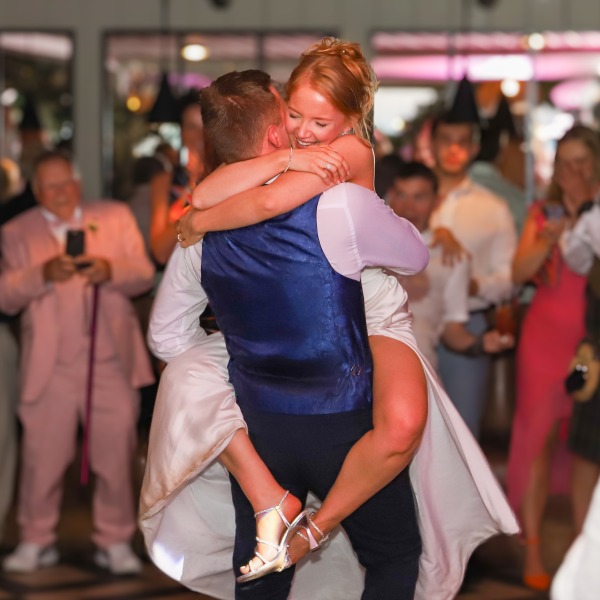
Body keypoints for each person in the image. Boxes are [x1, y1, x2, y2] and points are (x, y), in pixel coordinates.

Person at [142, 45, 518, 599]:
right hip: (333, 388)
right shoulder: (303, 178)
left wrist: (200, 224)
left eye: (320, 121)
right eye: (293, 116)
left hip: (326, 355)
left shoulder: (342, 162)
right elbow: (221, 194)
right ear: (278, 119)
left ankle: (305, 524)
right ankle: (312, 528)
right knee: (391, 549)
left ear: (351, 120)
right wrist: (255, 179)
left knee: (399, 429)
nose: (304, 131)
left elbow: (171, 327)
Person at [0, 151, 155, 574]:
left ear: (79, 182)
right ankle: (35, 539)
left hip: (110, 362)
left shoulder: (115, 215)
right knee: (41, 459)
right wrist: (41, 274)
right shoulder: (17, 232)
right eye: (51, 187)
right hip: (49, 367)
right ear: (36, 192)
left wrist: (108, 269)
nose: (62, 193)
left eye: (67, 183)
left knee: (114, 455)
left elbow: (143, 272)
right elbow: (6, 296)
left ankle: (116, 539)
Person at [506, 125, 599, 591]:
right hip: (545, 339)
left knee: (589, 448)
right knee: (538, 441)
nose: (574, 171)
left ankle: (590, 554)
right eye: (565, 162)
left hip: (593, 340)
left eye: (583, 161)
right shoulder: (544, 211)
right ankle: (535, 549)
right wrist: (547, 238)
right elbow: (518, 272)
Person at [428, 76, 518, 438]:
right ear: (432, 144)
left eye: (462, 142)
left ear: (474, 146)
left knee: (464, 433)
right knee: (412, 431)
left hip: (470, 323)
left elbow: (508, 278)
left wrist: (474, 282)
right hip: (411, 321)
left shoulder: (493, 207)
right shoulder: (410, 200)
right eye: (446, 141)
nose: (454, 150)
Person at [386, 161, 514, 369]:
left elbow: (451, 330)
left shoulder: (452, 258)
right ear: (390, 195)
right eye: (401, 195)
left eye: (419, 197)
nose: (408, 207)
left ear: (437, 201)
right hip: (364, 379)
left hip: (421, 374)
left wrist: (481, 344)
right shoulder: (368, 246)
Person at [149, 91, 205, 266]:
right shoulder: (165, 182)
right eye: (191, 126)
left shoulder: (229, 176)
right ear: (182, 132)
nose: (200, 134)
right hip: (178, 275)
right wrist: (190, 213)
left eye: (206, 125)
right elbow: (159, 252)